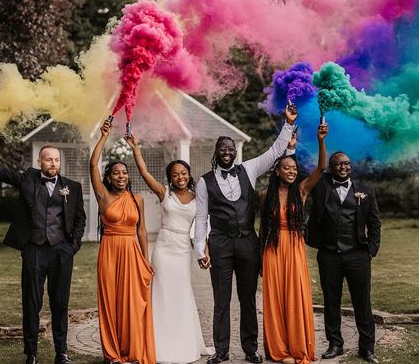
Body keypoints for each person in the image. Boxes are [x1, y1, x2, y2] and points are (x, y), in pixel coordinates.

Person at [0, 141, 86, 364]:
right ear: (39, 161)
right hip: (34, 249)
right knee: (31, 303)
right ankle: (31, 354)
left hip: (62, 252)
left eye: (57, 159)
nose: (53, 163)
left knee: (60, 304)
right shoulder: (27, 180)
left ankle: (61, 353)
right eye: (49, 159)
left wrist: (73, 246)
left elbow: (80, 218)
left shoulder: (73, 186)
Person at [195, 104, 298, 364]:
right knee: (221, 300)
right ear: (216, 152)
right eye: (223, 148)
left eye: (231, 148)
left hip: (247, 244)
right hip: (219, 243)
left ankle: (250, 349)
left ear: (235, 150)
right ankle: (221, 351)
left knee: (248, 298)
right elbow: (201, 217)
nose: (227, 152)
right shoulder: (204, 181)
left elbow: (275, 151)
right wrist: (200, 248)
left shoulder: (249, 169)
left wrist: (287, 123)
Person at [125, 134, 212, 363]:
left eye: (183, 173)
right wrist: (136, 148)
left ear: (189, 175)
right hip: (163, 249)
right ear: (170, 178)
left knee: (181, 294)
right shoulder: (165, 193)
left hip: (183, 250)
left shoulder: (199, 198)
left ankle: (183, 343)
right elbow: (144, 173)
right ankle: (158, 344)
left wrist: (204, 253)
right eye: (175, 174)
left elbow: (202, 228)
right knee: (161, 294)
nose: (180, 177)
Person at [306, 141, 381, 364]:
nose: (343, 168)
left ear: (351, 166)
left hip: (358, 254)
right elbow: (314, 170)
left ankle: (366, 349)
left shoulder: (365, 191)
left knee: (362, 302)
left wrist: (371, 250)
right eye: (338, 165)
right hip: (329, 255)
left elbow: (375, 223)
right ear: (330, 167)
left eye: (346, 164)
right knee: (331, 301)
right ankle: (335, 344)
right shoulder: (320, 186)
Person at [259, 122, 328, 364]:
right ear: (277, 171)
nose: (292, 171)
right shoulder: (266, 196)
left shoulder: (302, 190)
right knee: (276, 298)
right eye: (287, 168)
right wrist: (259, 258)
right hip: (273, 249)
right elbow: (264, 228)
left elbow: (321, 167)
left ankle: (298, 347)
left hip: (295, 247)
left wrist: (320, 140)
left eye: (294, 168)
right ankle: (279, 350)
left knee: (295, 296)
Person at [89, 119, 155, 364]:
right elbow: (92, 164)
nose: (121, 176)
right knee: (111, 302)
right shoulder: (103, 196)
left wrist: (146, 261)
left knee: (132, 304)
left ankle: (131, 349)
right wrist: (104, 135)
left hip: (132, 253)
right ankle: (113, 354)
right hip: (109, 251)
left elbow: (142, 231)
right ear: (108, 177)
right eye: (116, 173)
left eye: (124, 173)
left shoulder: (137, 199)